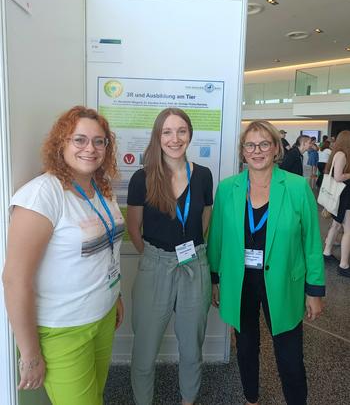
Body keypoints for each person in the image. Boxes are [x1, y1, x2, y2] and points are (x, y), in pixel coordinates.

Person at [2, 106, 124, 405]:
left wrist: (115, 295)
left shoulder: (103, 190)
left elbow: (107, 251)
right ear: (61, 143)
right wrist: (29, 353)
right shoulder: (42, 194)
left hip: (104, 315)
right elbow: (15, 279)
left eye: (99, 141)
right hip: (64, 330)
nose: (90, 148)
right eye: (79, 139)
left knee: (96, 395)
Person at [207, 120, 325, 405]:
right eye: (250, 145)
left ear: (275, 148)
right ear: (242, 152)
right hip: (241, 281)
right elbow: (217, 238)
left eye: (263, 144)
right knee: (246, 348)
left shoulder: (296, 187)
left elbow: (311, 242)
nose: (256, 151)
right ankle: (251, 398)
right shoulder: (227, 189)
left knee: (289, 354)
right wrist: (215, 279)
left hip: (284, 280)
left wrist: (315, 290)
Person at [127, 108, 213, 405]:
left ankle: (187, 400)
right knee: (144, 352)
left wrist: (185, 254)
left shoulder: (203, 176)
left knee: (191, 350)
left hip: (194, 265)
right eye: (167, 132)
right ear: (157, 136)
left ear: (189, 135)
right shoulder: (143, 178)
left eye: (181, 131)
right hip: (156, 266)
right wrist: (157, 257)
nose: (174, 139)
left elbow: (204, 221)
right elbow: (134, 227)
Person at [322, 130, 350, 277]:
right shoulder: (342, 155)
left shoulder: (337, 153)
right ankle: (344, 265)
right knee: (348, 230)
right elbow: (338, 177)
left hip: (340, 196)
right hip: (344, 197)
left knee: (336, 225)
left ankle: (327, 252)